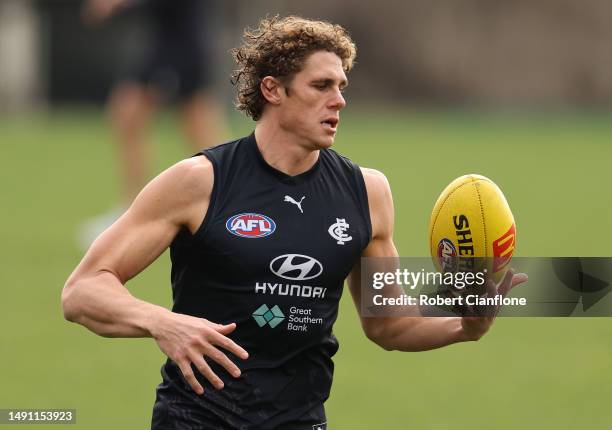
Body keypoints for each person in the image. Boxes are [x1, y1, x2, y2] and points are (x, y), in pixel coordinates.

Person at [62, 16, 528, 429]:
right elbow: (82, 290)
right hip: (196, 419)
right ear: (272, 90)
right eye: (322, 86)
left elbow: (389, 324)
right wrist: (162, 322)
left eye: (342, 86)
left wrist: (463, 327)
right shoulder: (199, 182)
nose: (339, 101)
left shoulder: (366, 193)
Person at [78, 0, 227, 247]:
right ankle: (131, 209)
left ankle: (242, 202)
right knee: (190, 128)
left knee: (196, 130)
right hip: (170, 42)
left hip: (180, 46)